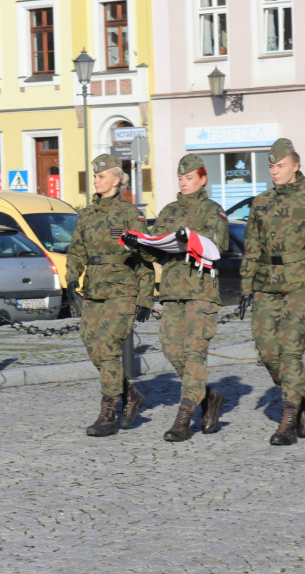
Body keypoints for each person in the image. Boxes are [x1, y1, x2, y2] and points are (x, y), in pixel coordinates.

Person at [238, 138, 305, 445]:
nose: (275, 171)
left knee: (290, 351)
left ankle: (287, 421)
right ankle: (303, 399)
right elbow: (251, 247)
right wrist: (246, 285)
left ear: (296, 165)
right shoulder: (261, 202)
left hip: (301, 284)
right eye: (271, 166)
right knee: (268, 352)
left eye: (280, 166)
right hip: (267, 285)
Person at [124, 154, 228, 441]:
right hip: (171, 290)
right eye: (181, 178)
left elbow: (219, 246)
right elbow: (155, 250)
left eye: (189, 178)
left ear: (203, 179)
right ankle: (209, 397)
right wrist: (138, 243)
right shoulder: (169, 210)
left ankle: (184, 417)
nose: (184, 183)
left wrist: (190, 240)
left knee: (194, 353)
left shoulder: (213, 210)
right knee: (172, 349)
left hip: (201, 289)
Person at [66, 154, 154, 437]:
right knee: (93, 347)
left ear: (116, 179)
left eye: (101, 176)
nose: (95, 180)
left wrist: (145, 297)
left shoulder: (130, 214)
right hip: (94, 290)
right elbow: (77, 250)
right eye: (94, 176)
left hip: (121, 291)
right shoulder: (87, 215)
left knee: (107, 349)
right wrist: (71, 278)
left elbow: (145, 257)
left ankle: (108, 414)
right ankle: (131, 394)